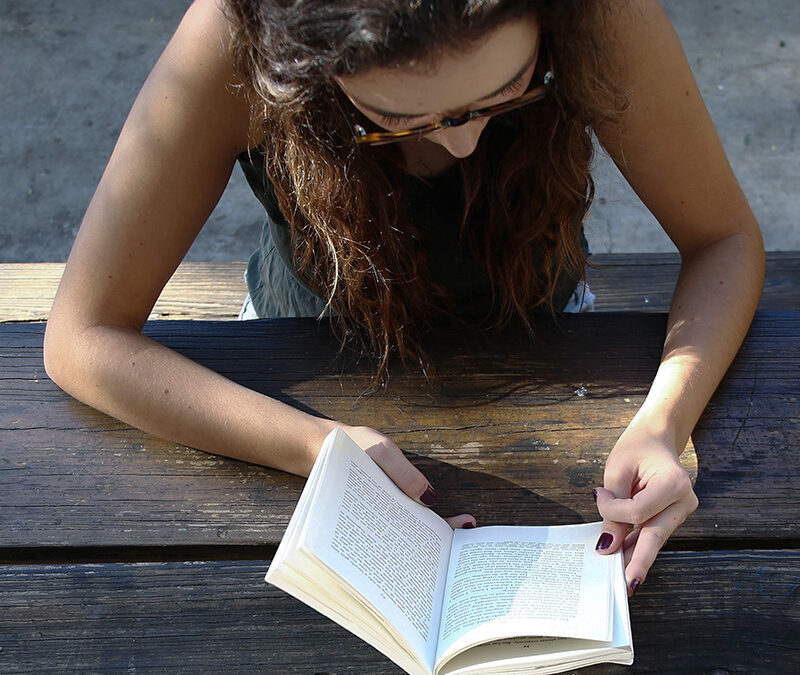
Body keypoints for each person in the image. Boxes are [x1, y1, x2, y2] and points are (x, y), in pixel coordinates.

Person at [43, 0, 765, 598]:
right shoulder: (237, 36)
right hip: (295, 363)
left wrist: (664, 424)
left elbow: (724, 239)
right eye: (398, 120)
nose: (463, 144)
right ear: (305, 63)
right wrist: (317, 445)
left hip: (545, 335)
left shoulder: (600, 16)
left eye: (511, 89)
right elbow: (82, 336)